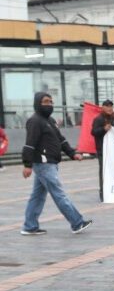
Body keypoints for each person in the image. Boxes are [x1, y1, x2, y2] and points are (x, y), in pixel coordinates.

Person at [20, 92, 93, 236]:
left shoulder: (50, 121)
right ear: (37, 103)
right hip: (43, 163)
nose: (50, 105)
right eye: (46, 102)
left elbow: (61, 140)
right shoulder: (35, 121)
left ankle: (29, 226)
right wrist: (27, 165)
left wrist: (72, 153)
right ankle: (77, 223)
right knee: (59, 194)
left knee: (37, 196)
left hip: (50, 163)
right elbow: (29, 144)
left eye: (51, 102)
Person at [90, 100, 114, 201]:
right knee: (103, 172)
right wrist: (103, 129)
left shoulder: (113, 118)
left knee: (113, 172)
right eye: (107, 106)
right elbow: (93, 132)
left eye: (111, 106)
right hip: (102, 151)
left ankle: (113, 190)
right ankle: (103, 193)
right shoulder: (99, 119)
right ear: (103, 107)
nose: (110, 108)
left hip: (113, 151)